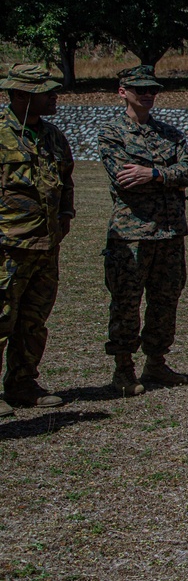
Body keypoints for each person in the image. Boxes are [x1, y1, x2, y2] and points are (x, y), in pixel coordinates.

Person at [98, 65, 188, 397]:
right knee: (127, 302)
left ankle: (156, 361)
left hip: (170, 233)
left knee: (166, 300)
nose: (148, 95)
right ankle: (123, 369)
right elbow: (123, 178)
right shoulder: (112, 133)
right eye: (140, 89)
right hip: (133, 234)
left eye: (153, 89)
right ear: (122, 91)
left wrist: (153, 174)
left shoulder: (169, 133)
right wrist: (165, 174)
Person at [0, 64, 74, 415]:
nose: (54, 95)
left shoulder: (53, 136)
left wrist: (66, 216)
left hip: (45, 248)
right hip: (7, 248)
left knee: (32, 322)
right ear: (20, 95)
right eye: (46, 90)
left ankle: (22, 384)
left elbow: (67, 181)